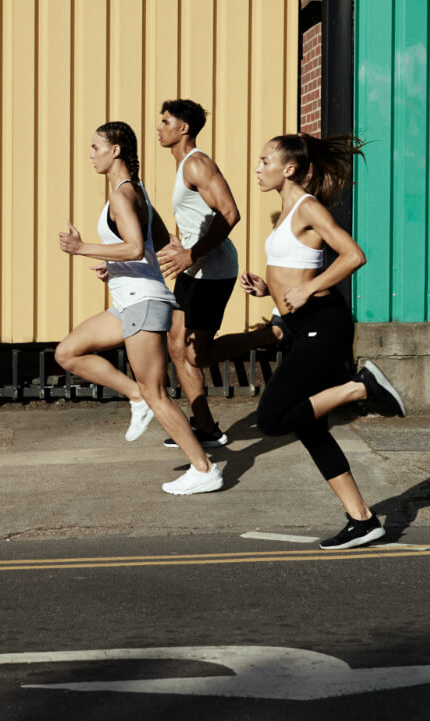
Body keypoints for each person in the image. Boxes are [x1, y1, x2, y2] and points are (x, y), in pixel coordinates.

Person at [241, 132, 406, 550]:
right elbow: (292, 269)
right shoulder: (285, 211)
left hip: (323, 323)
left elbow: (353, 255)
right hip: (302, 326)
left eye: (265, 161)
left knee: (272, 419)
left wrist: (308, 288)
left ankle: (359, 387)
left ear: (289, 168)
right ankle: (363, 520)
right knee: (310, 429)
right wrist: (269, 290)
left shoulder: (307, 206)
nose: (258, 169)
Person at [55, 120, 223, 495]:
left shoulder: (122, 194)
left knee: (157, 393)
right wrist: (113, 266)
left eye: (96, 147)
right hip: (128, 303)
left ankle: (204, 468)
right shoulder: (136, 192)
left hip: (144, 304)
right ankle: (134, 395)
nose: (91, 155)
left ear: (116, 150)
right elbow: (157, 242)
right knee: (67, 353)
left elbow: (133, 247)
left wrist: (82, 248)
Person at [157, 99, 275, 451]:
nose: (159, 128)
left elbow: (229, 213)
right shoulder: (182, 167)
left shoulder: (197, 163)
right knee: (176, 344)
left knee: (198, 355)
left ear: (184, 129)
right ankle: (205, 427)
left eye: (166, 122)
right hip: (195, 268)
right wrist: (184, 243)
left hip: (213, 270)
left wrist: (191, 252)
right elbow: (200, 215)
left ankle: (271, 334)